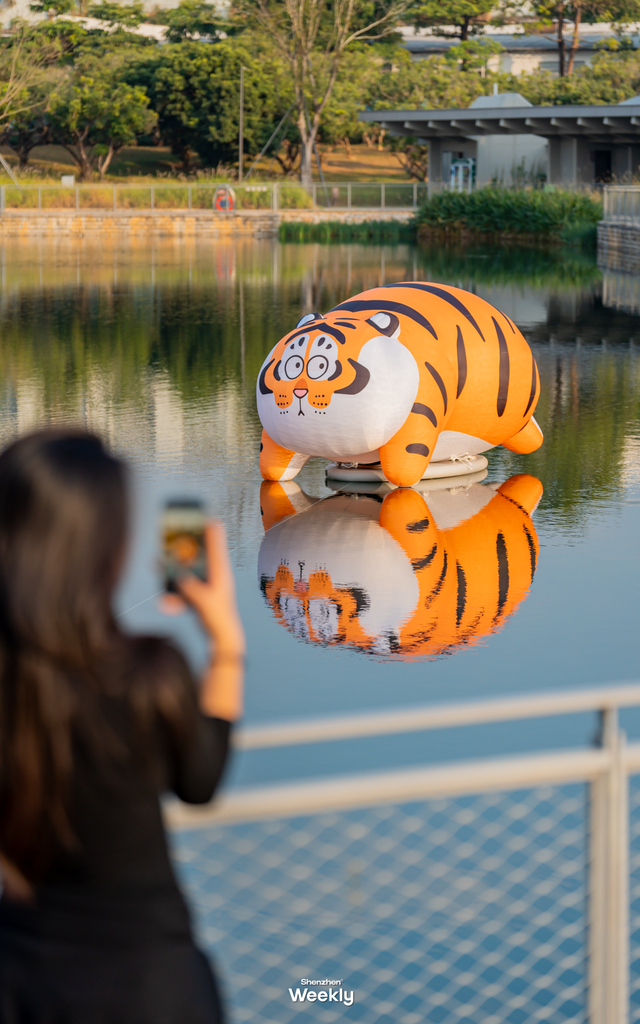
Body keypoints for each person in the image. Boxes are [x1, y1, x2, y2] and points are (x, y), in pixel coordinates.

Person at [0, 428, 245, 1023]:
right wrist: (226, 641)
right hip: (151, 987)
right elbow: (200, 780)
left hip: (24, 983)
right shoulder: (147, 675)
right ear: (107, 545)